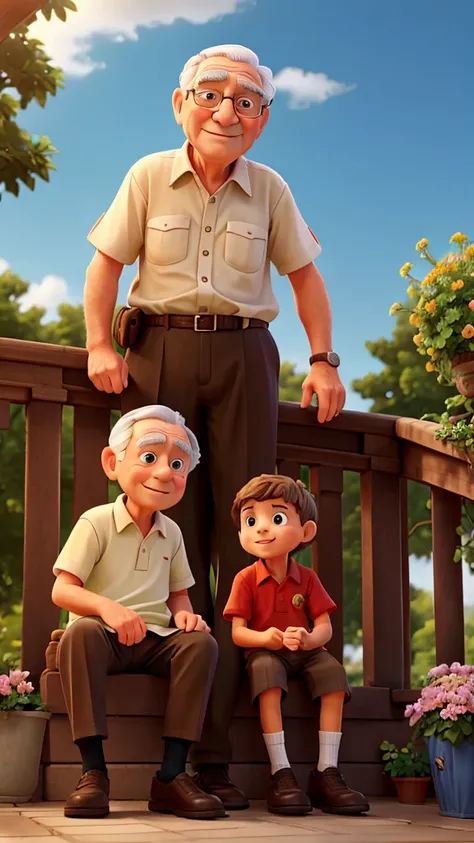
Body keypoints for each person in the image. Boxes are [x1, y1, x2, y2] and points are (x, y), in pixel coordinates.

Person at [83, 44, 346, 808]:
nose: (227, 109)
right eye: (212, 93)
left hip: (245, 361)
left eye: (246, 100)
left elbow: (305, 278)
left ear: (261, 121)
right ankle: (166, 757)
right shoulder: (144, 175)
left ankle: (215, 758)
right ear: (180, 103)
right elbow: (104, 264)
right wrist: (100, 345)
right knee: (168, 533)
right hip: (158, 352)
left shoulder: (270, 191)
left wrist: (322, 359)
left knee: (244, 540)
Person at [51, 405, 225, 821]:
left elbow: (178, 596)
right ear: (114, 463)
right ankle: (93, 772)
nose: (165, 472)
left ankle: (170, 776)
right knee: (78, 635)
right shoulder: (96, 522)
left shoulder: (173, 533)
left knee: (201, 643)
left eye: (178, 463)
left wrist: (184, 616)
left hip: (156, 641)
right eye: (150, 457)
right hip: (103, 638)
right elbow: (62, 589)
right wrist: (109, 610)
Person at [223, 474, 370, 816]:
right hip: (265, 652)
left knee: (333, 674)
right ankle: (281, 772)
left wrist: (308, 639)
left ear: (305, 532)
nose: (261, 528)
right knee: (266, 676)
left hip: (305, 653)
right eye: (250, 520)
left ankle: (326, 771)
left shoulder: (308, 578)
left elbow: (324, 627)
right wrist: (265, 638)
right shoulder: (245, 579)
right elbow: (238, 632)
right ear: (242, 532)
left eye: (276, 518)